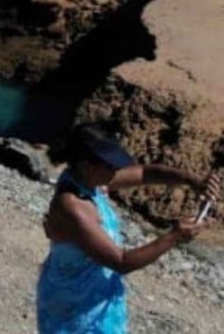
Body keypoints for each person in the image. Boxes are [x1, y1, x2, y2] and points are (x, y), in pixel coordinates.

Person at [37, 123, 218, 333]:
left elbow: (143, 173)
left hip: (92, 298)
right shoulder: (74, 208)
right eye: (110, 165)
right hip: (75, 311)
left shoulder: (89, 180)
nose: (116, 170)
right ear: (87, 166)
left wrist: (191, 180)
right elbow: (121, 262)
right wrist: (174, 237)